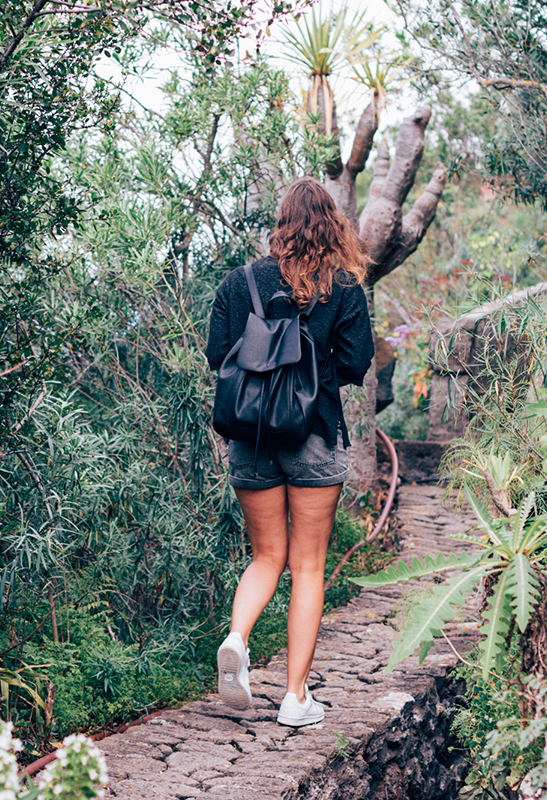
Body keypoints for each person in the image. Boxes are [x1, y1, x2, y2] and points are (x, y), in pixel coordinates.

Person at [205, 178, 374, 727]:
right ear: (332, 223)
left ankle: (237, 639)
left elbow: (217, 355)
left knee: (265, 557)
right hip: (314, 434)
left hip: (251, 438)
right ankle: (295, 698)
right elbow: (354, 365)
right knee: (308, 566)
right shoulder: (344, 287)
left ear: (282, 223)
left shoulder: (240, 282)